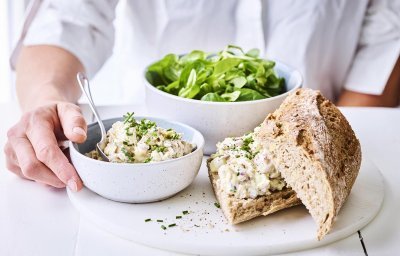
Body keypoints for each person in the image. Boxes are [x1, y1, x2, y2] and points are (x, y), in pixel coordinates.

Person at [4, 0, 400, 192]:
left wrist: (320, 163)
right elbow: (67, 19)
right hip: (152, 165)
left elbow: (382, 47)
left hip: (304, 156)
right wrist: (47, 97)